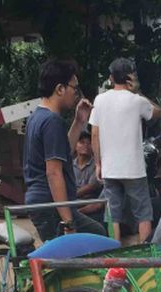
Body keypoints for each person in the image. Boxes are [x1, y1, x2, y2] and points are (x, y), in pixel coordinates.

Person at [23, 60, 106, 243]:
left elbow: (63, 154)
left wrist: (78, 122)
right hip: (50, 204)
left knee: (91, 236)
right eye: (74, 88)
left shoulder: (37, 117)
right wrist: (68, 222)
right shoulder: (52, 121)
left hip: (42, 202)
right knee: (96, 237)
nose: (75, 94)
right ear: (60, 89)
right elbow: (53, 173)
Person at [90, 58, 161, 242]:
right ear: (130, 76)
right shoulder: (137, 101)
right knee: (143, 213)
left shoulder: (99, 100)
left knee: (113, 212)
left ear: (111, 78)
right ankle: (146, 254)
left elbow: (95, 135)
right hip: (134, 168)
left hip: (110, 167)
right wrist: (137, 91)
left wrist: (98, 163)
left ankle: (114, 253)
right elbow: (157, 112)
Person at [71, 131, 106, 227]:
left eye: (89, 143)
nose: (86, 145)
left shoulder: (97, 165)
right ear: (75, 146)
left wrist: (71, 196)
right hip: (73, 203)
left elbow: (92, 186)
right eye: (82, 142)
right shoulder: (69, 165)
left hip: (90, 206)